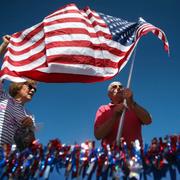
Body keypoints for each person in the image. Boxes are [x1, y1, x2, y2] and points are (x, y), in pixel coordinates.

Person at [0, 35, 36, 150]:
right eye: (30, 86)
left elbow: (28, 145)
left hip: (5, 160)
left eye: (35, 89)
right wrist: (4, 45)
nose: (33, 90)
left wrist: (30, 127)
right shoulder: (3, 97)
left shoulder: (30, 116)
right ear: (18, 85)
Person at [94, 81, 152, 148]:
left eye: (121, 87)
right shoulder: (103, 109)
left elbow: (148, 120)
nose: (118, 88)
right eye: (114, 87)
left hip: (134, 154)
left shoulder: (133, 107)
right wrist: (114, 117)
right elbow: (98, 135)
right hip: (111, 155)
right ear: (109, 95)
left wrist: (132, 103)